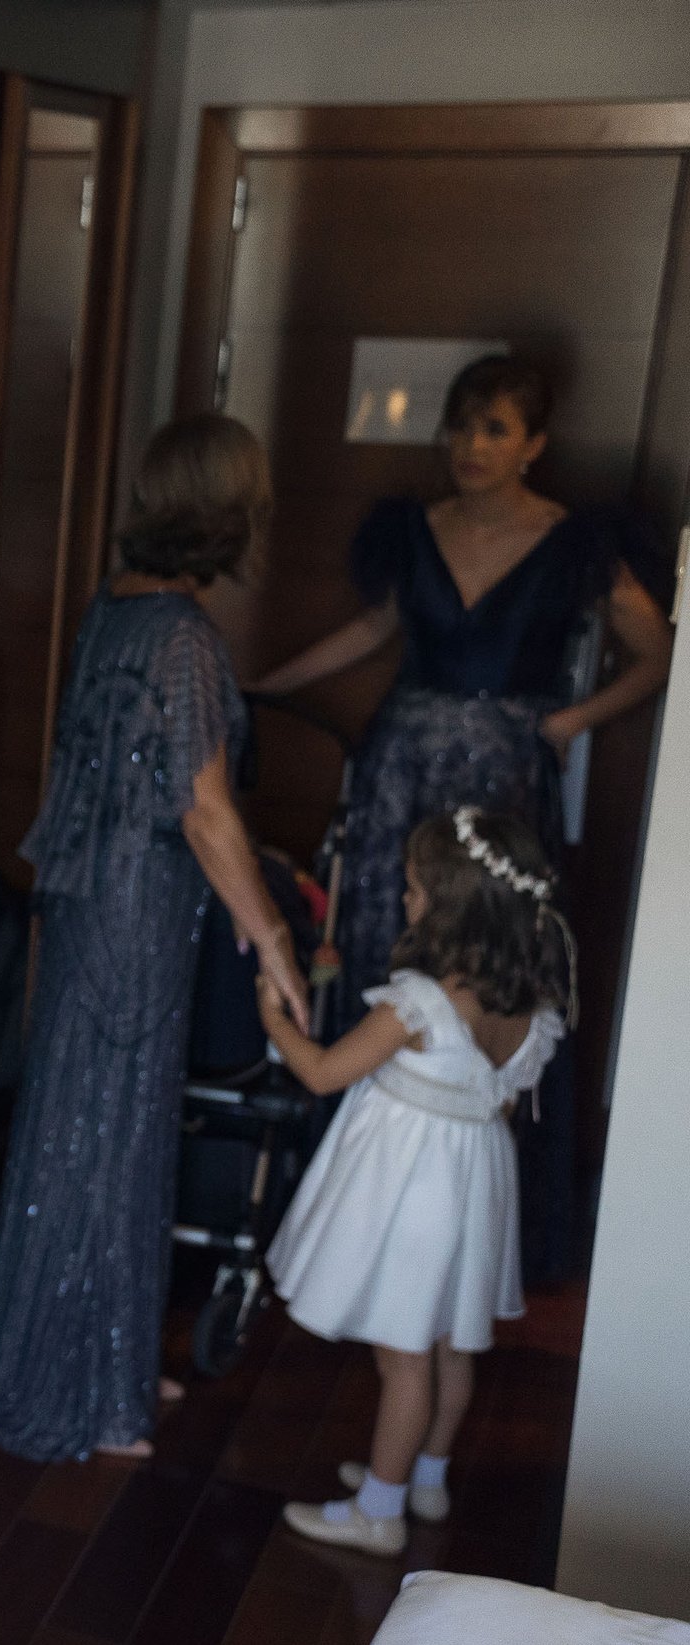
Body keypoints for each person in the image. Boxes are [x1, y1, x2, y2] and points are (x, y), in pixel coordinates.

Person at [247, 353, 671, 1280]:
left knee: (487, 963)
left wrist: (570, 721)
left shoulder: (576, 542)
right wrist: (265, 687)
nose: (471, 445)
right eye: (462, 425)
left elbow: (657, 653)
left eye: (495, 428)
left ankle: (465, 1203)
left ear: (535, 444)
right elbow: (373, 631)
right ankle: (355, 1194)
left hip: (502, 780)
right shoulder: (415, 527)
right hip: (399, 772)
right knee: (384, 954)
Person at [0, 415, 309, 1463]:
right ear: (228, 512)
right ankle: (86, 1387)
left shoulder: (116, 607)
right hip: (136, 909)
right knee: (108, 1136)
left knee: (84, 1128)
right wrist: (275, 938)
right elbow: (205, 811)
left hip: (84, 900)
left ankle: (99, 1360)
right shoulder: (184, 637)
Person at [262, 807, 572, 1557]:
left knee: (403, 1355)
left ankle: (379, 1509)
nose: (406, 900)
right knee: (449, 1345)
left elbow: (322, 1071)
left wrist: (273, 1017)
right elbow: (497, 1102)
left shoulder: (421, 1004)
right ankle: (423, 1477)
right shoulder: (531, 1012)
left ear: (452, 909)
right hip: (477, 1183)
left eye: (414, 890)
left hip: (413, 1188)